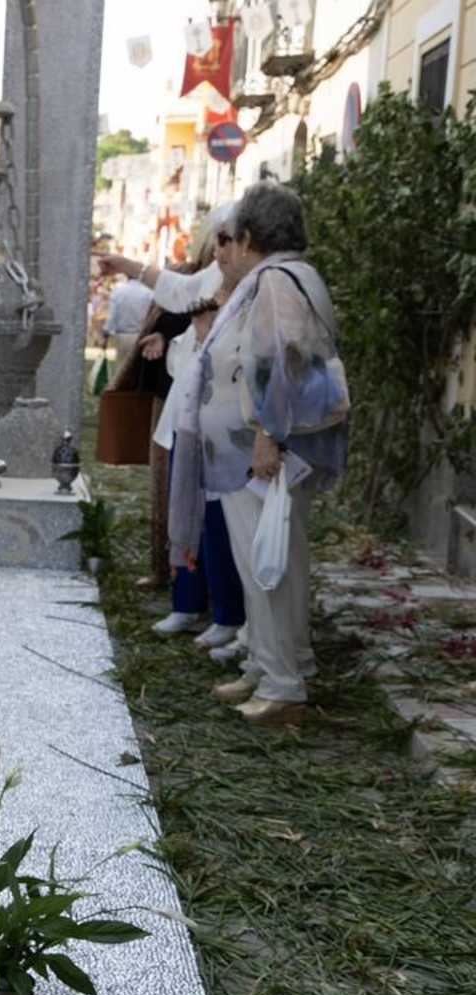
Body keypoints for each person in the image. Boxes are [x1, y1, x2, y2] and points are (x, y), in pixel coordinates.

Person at [169, 182, 347, 727]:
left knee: (268, 568)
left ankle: (281, 686)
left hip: (262, 454)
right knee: (273, 564)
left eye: (232, 236)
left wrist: (268, 435)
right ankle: (272, 665)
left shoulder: (273, 280)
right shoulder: (288, 275)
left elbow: (277, 359)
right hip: (256, 452)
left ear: (249, 237)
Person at [131, 203, 245, 648]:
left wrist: (203, 331)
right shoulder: (212, 279)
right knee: (187, 512)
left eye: (225, 239)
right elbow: (180, 298)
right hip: (192, 417)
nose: (218, 249)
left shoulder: (257, 288)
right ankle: (187, 602)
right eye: (215, 239)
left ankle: (228, 613)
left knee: (218, 520)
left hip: (226, 421)